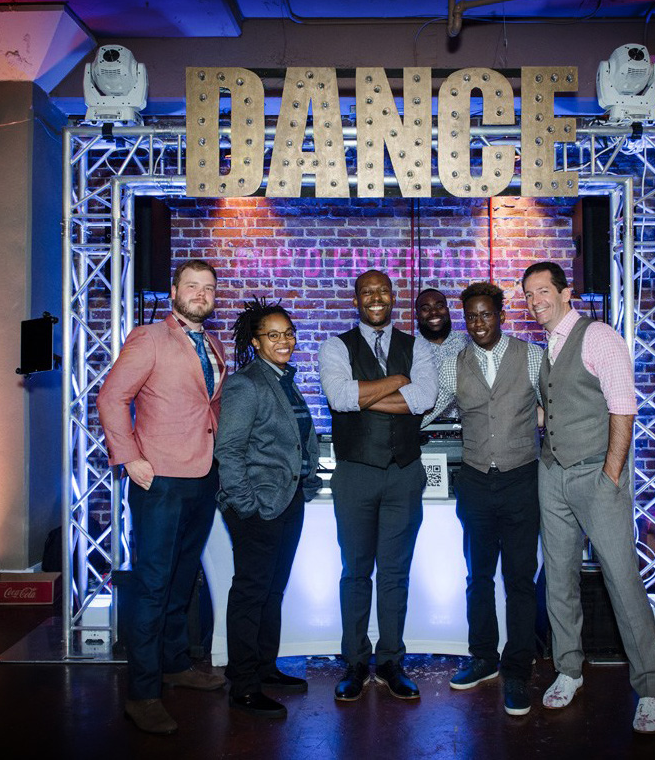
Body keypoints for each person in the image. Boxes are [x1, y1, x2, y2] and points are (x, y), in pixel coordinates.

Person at [521, 261, 655, 734]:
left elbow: (624, 407)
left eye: (543, 291)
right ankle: (569, 670)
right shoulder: (547, 347)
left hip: (596, 477)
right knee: (559, 578)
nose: (535, 300)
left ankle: (650, 691)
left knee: (622, 582)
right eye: (528, 294)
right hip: (553, 475)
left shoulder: (598, 336)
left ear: (566, 294)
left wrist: (610, 475)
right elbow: (555, 412)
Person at [97, 259, 228, 735]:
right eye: (192, 286)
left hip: (202, 475)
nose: (201, 294)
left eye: (208, 288)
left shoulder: (213, 343)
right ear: (173, 290)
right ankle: (143, 693)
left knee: (181, 578)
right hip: (159, 480)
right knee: (153, 585)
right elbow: (111, 397)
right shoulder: (150, 338)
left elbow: (208, 407)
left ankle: (175, 664)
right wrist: (130, 457)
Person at [318, 269, 437, 702]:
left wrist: (366, 394)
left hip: (404, 473)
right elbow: (338, 398)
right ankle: (354, 661)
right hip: (355, 473)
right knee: (355, 572)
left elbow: (425, 399)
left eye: (383, 290)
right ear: (356, 299)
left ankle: (390, 661)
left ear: (392, 297)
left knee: (393, 572)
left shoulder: (417, 345)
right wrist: (397, 384)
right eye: (367, 291)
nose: (375, 297)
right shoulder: (336, 346)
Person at [433, 282, 544, 717]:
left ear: (501, 314)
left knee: (519, 579)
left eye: (486, 314)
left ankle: (517, 669)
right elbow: (433, 408)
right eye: (471, 316)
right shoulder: (452, 364)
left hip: (522, 479)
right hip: (476, 481)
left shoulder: (532, 356)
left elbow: (553, 408)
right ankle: (483, 658)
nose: (478, 323)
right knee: (478, 576)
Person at [215, 300, 323, 719]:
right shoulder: (248, 383)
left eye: (288, 333)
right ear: (256, 341)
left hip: (287, 501)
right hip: (258, 506)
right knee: (250, 593)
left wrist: (306, 479)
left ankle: (264, 667)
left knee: (272, 591)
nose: (284, 341)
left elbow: (295, 439)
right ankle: (243, 685)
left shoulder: (283, 380)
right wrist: (247, 505)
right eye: (273, 335)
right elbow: (230, 449)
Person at [415, 288, 468, 427]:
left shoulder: (467, 344)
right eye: (426, 308)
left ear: (447, 309)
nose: (434, 312)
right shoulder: (410, 349)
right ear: (417, 315)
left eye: (439, 306)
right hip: (424, 431)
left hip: (469, 430)